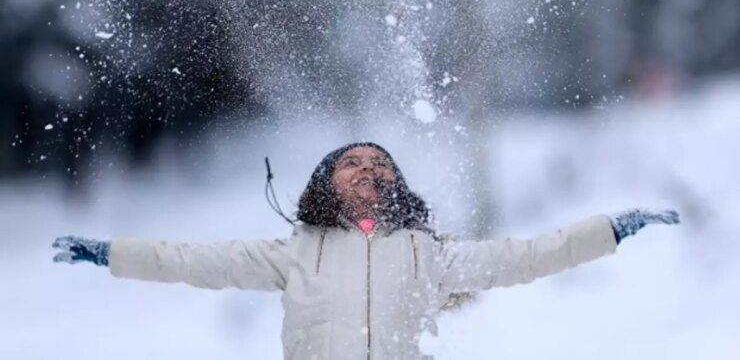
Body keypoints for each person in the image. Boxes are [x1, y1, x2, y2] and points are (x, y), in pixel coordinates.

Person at [52, 142, 680, 360]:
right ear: (325, 183)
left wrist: (611, 229)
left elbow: (529, 255)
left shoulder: (429, 255)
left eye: (380, 164)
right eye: (350, 163)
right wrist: (109, 252)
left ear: (396, 184)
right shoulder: (293, 253)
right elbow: (188, 259)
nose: (366, 170)